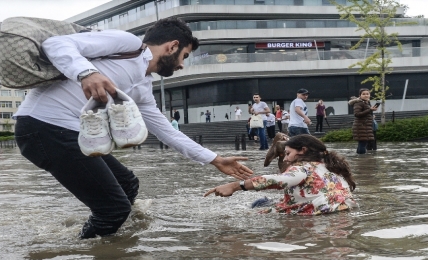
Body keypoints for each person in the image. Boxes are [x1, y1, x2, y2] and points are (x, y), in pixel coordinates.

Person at [13, 17, 252, 239]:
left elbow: (166, 131)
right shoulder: (128, 44)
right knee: (114, 209)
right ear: (172, 46)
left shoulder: (143, 89)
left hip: (69, 134)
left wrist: (215, 159)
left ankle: (108, 237)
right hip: (43, 128)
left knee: (128, 184)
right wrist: (86, 73)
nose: (181, 65)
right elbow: (55, 44)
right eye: (185, 56)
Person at [204, 135, 357, 215]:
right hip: (343, 209)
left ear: (302, 151)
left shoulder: (303, 168)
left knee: (258, 205)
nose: (285, 158)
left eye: (288, 153)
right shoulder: (332, 167)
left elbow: (277, 180)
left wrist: (235, 185)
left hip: (318, 212)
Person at [349, 88, 377, 154]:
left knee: (362, 144)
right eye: (363, 94)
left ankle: (359, 160)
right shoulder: (359, 103)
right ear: (360, 95)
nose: (366, 95)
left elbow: (364, 114)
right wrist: (370, 110)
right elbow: (357, 114)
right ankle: (362, 160)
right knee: (363, 144)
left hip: (365, 126)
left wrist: (371, 116)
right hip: (361, 126)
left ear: (370, 95)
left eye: (367, 94)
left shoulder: (366, 103)